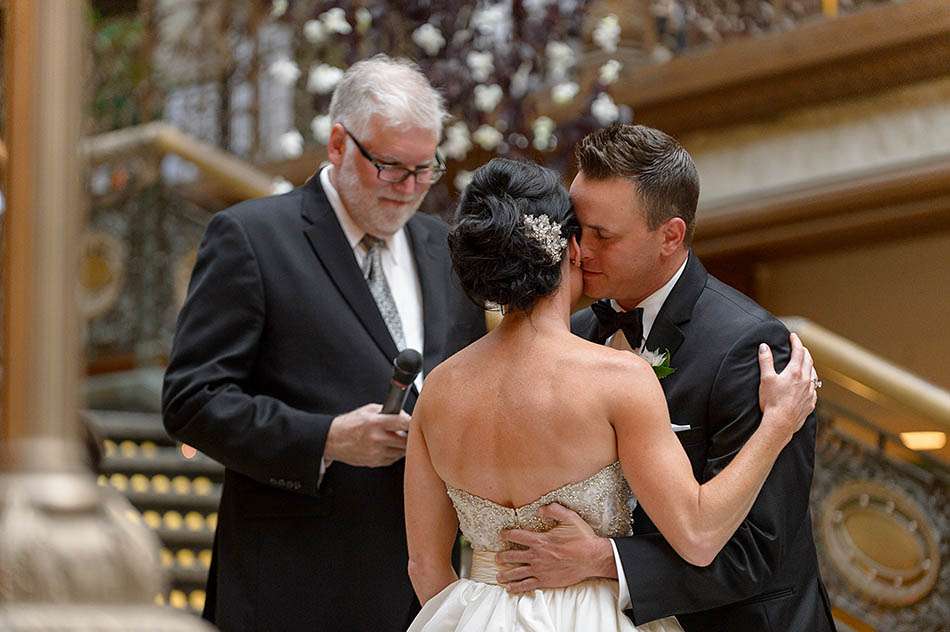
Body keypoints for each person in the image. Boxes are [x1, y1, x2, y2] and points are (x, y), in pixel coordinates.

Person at [403, 158, 817, 631]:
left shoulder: (436, 391)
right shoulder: (617, 378)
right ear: (571, 249)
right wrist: (778, 425)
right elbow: (699, 535)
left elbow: (425, 567)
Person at [161, 55, 486, 632]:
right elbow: (192, 399)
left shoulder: (445, 248)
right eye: (390, 168)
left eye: (425, 169)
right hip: (292, 588)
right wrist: (327, 439)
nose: (410, 190)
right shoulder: (251, 238)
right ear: (339, 144)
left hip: (426, 595)